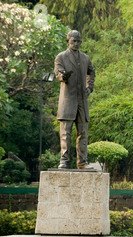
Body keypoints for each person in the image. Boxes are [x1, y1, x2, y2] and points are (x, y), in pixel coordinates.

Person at [54, 30, 95, 169]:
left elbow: (91, 71)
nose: (76, 43)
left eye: (78, 41)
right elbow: (58, 73)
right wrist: (63, 77)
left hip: (82, 101)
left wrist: (89, 87)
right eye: (73, 41)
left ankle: (82, 161)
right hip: (68, 100)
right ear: (68, 41)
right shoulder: (61, 57)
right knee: (66, 133)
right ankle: (64, 161)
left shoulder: (85, 58)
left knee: (82, 132)